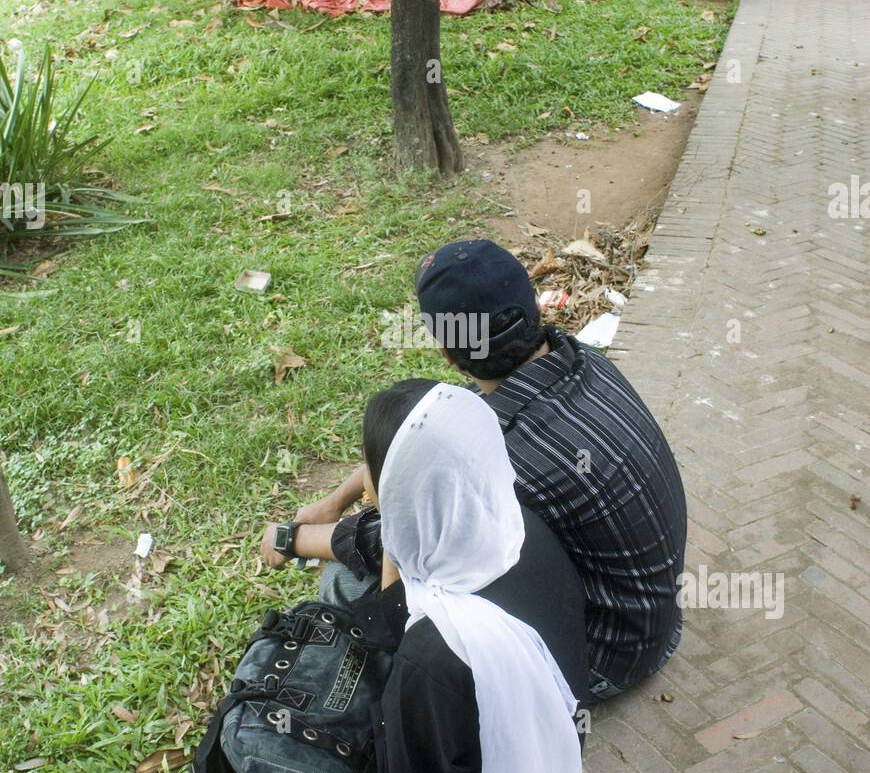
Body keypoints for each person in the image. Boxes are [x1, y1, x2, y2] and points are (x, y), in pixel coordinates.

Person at [135, 381, 587, 773]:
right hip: (530, 739)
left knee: (238, 743)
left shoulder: (435, 651)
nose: (366, 491)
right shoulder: (499, 522)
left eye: (373, 477)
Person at [265, 240, 687, 701]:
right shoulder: (583, 359)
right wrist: (335, 500)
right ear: (532, 310)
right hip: (649, 616)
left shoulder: (505, 458)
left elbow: (399, 541)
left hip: (604, 657)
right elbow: (415, 441)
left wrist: (290, 540)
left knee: (344, 583)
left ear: (447, 352)